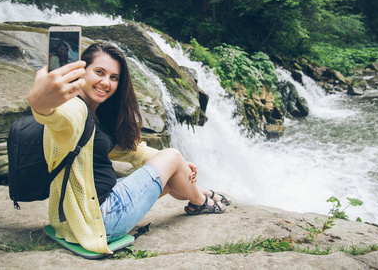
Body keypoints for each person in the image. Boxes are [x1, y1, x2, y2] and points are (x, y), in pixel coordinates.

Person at [28, 42, 231, 254]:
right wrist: (39, 102)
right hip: (99, 218)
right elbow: (53, 114)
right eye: (99, 72)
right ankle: (200, 202)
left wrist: (177, 166)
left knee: (174, 172)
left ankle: (199, 193)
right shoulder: (75, 109)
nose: (105, 82)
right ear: (82, 71)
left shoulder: (96, 115)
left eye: (113, 77)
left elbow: (135, 152)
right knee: (173, 155)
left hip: (75, 216)